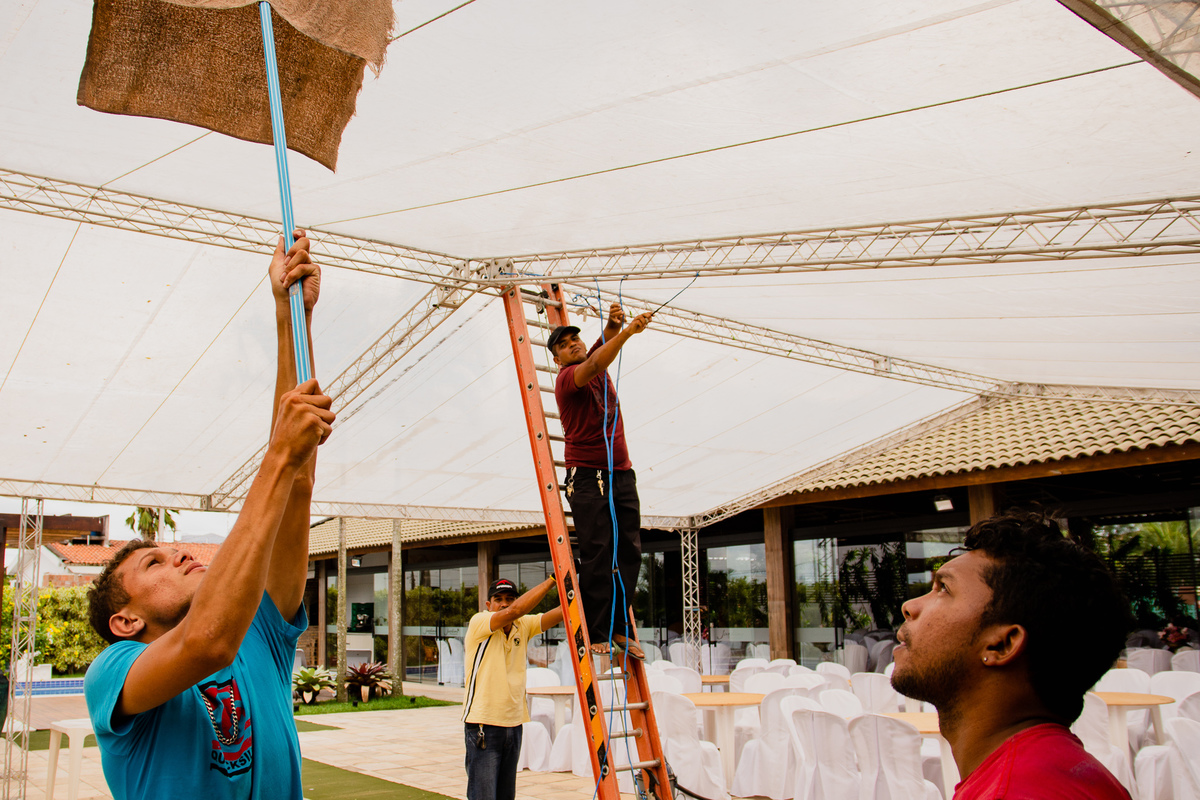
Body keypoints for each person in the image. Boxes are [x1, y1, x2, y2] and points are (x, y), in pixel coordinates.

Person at [84, 230, 333, 800]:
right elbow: (205, 642)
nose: (178, 553)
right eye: (154, 563)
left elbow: (296, 484)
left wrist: (291, 317)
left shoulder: (257, 631)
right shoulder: (114, 671)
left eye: (170, 549)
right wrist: (276, 455)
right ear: (126, 621)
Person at [890, 508, 1135, 799]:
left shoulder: (1012, 791)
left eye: (944, 588)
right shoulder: (1065, 772)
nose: (910, 606)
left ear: (1002, 645)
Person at [547, 303, 652, 659]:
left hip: (621, 472)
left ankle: (620, 627)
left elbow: (601, 346)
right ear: (558, 359)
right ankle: (597, 630)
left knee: (629, 551)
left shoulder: (593, 357)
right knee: (598, 552)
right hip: (588, 477)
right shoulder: (567, 379)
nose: (573, 344)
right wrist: (628, 333)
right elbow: (595, 362)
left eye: (575, 339)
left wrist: (613, 325)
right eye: (564, 345)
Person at [462, 577, 564, 800]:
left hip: (514, 724)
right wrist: (552, 580)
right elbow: (515, 611)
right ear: (488, 605)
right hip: (483, 725)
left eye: (510, 599)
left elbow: (561, 613)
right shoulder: (480, 621)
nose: (504, 604)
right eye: (498, 599)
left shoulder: (522, 625)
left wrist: (582, 587)